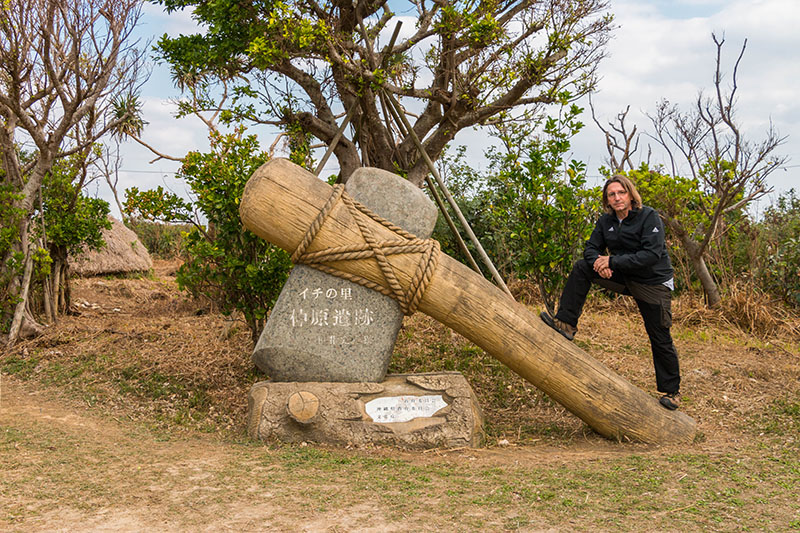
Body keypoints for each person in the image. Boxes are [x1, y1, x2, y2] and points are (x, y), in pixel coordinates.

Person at [540, 174, 682, 410]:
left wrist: (612, 262)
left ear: (630, 194)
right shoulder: (605, 222)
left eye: (621, 193)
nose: (617, 198)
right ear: (607, 200)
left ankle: (672, 391)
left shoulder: (649, 216)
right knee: (582, 267)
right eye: (611, 195)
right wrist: (599, 262)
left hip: (652, 282)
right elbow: (590, 248)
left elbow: (651, 255)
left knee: (659, 335)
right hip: (623, 276)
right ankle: (566, 323)